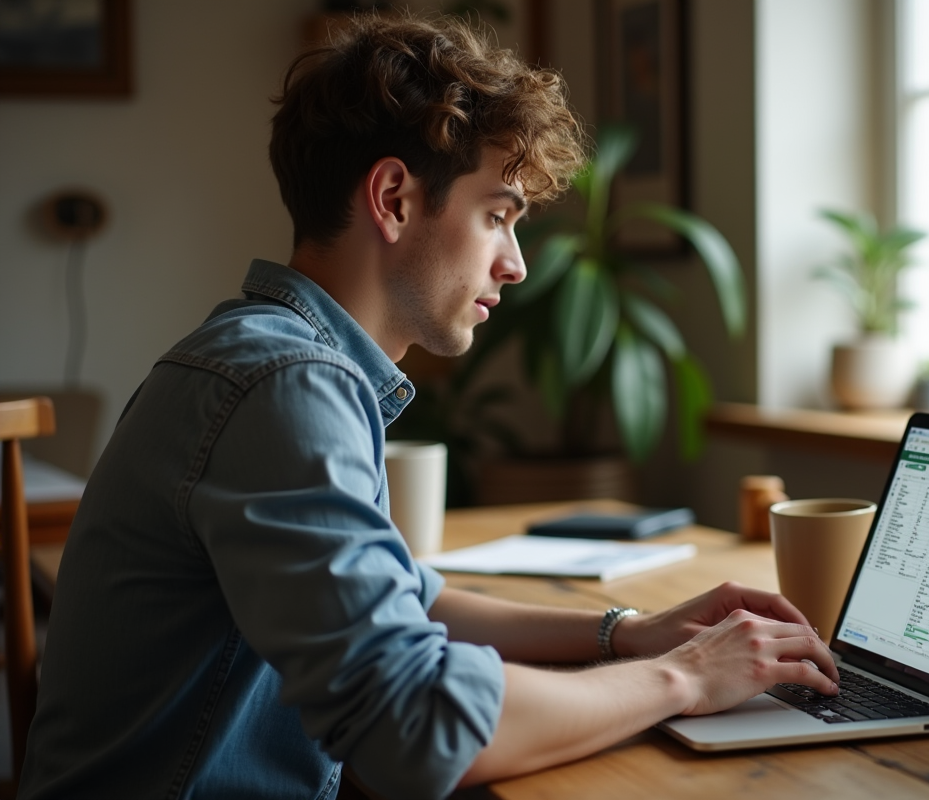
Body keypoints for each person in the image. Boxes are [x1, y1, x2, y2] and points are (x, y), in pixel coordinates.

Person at [19, 13, 839, 800]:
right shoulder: (288, 384)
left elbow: (411, 598)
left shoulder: (264, 352)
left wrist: (626, 633)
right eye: (497, 216)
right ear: (394, 197)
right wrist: (685, 678)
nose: (515, 264)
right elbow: (414, 728)